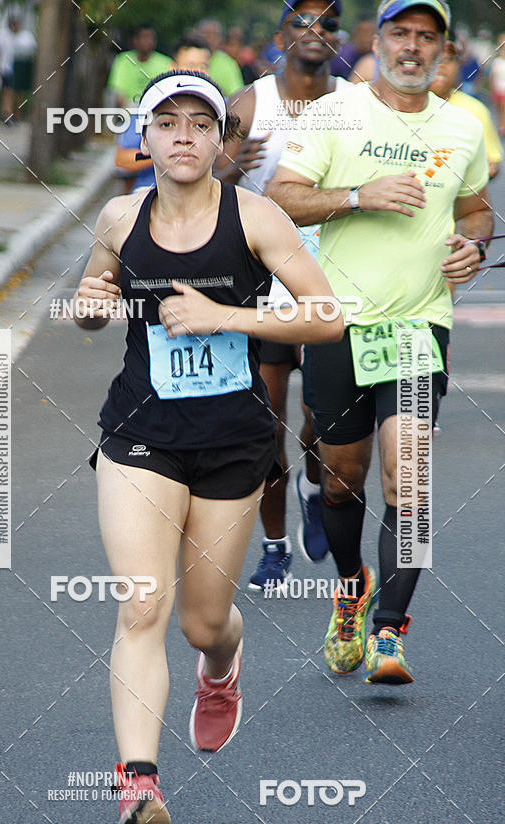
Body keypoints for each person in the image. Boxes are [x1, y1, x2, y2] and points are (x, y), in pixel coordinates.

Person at [73, 71, 342, 824]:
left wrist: (225, 313)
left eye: (202, 122)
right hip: (139, 435)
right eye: (168, 121)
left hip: (233, 443)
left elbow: (325, 315)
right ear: (145, 138)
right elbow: (100, 291)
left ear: (224, 141)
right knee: (141, 608)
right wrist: (92, 307)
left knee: (201, 622)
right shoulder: (120, 216)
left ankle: (221, 668)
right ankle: (139, 788)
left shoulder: (255, 216)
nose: (184, 135)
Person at [266, 0, 493, 684]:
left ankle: (390, 633)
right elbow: (280, 195)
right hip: (336, 323)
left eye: (428, 37)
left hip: (417, 326)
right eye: (402, 33)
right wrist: (359, 195)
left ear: (443, 48)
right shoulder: (336, 112)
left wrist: (472, 247)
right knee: (340, 482)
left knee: (411, 479)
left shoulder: (464, 125)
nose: (414, 47)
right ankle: (350, 587)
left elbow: (477, 208)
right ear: (380, 39)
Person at [217, 0, 349, 591]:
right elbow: (197, 187)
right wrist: (226, 170)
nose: (314, 31)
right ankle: (274, 548)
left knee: (322, 421)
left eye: (327, 22)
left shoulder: (356, 100)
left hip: (336, 281)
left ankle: (316, 487)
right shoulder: (250, 103)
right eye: (302, 21)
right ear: (281, 35)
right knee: (265, 424)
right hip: (264, 285)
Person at [114, 33, 211, 193]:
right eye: (190, 65)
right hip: (148, 195)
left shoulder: (221, 109)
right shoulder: (149, 107)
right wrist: (163, 154)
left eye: (204, 66)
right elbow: (122, 160)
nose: (197, 73)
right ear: (173, 67)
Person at [431, 37, 502, 180]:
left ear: (459, 65)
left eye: (449, 60)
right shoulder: (401, 106)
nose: (441, 66)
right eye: (435, 59)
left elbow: (493, 164)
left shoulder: (476, 110)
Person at [107, 23, 172, 106]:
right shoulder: (123, 60)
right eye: (144, 38)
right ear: (135, 40)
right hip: (129, 111)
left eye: (150, 38)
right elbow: (118, 94)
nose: (148, 42)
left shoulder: (165, 62)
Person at [197, 19, 244, 96]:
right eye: (206, 34)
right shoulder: (186, 57)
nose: (209, 39)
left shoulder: (228, 64)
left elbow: (237, 96)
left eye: (214, 35)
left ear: (220, 39)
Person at [331, 13, 376, 80]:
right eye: (362, 32)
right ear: (354, 33)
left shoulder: (380, 59)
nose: (366, 38)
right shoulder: (341, 57)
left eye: (370, 32)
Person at [11, 17, 37, 120]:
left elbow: (33, 48)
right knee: (16, 91)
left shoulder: (26, 35)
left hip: (26, 63)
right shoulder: (9, 36)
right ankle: (15, 114)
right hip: (16, 64)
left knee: (28, 90)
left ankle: (28, 113)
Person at [0, 15, 16, 123]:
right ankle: (6, 113)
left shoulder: (12, 36)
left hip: (9, 68)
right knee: (8, 92)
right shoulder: (5, 36)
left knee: (6, 92)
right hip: (6, 68)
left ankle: (5, 113)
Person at [489, 36, 505, 137]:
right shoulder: (497, 62)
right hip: (497, 89)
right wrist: (492, 89)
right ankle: (499, 125)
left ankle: (502, 127)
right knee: (498, 109)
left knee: (504, 108)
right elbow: (492, 77)